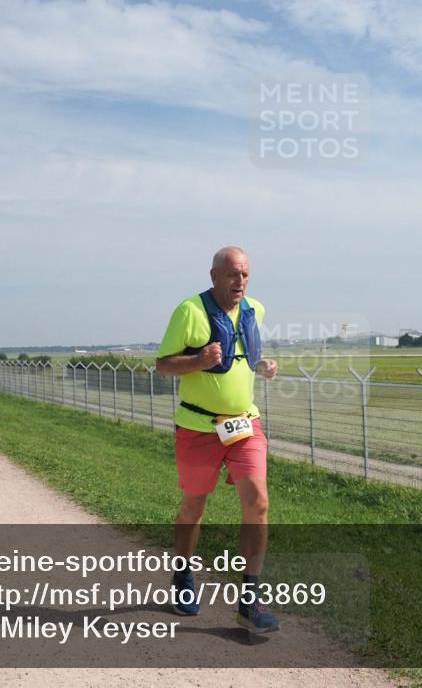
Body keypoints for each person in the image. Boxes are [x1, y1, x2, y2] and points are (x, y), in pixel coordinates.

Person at [155, 246, 280, 634]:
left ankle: (250, 599)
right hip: (198, 427)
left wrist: (265, 366)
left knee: (258, 502)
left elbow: (244, 357)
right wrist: (196, 362)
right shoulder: (189, 311)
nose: (239, 281)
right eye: (232, 274)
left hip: (245, 425)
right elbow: (162, 365)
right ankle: (182, 578)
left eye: (244, 274)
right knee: (194, 507)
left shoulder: (255, 310)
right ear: (214, 276)